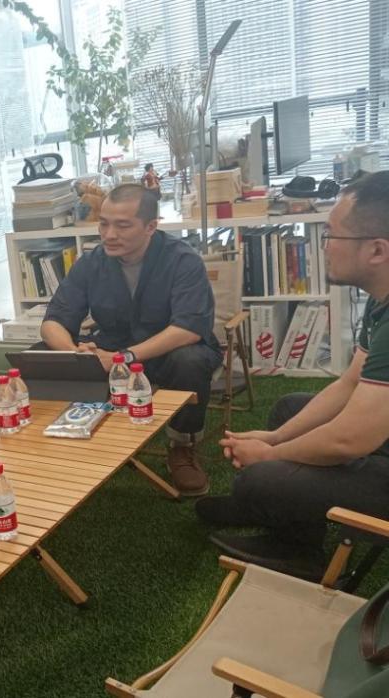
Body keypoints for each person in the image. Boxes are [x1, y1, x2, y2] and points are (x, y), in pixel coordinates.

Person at [201, 171, 389, 580]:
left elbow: (350, 439)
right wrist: (275, 437)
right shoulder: (381, 302)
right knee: (289, 409)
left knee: (261, 479)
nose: (324, 246)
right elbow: (349, 384)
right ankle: (292, 536)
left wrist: (271, 456)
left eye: (332, 235)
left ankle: (284, 527)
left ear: (377, 250)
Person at [39, 183, 223, 496]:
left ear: (151, 226)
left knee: (189, 361)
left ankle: (182, 446)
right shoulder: (92, 262)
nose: (109, 234)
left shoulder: (183, 260)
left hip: (167, 352)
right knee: (43, 351)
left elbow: (188, 328)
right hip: (111, 350)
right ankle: (59, 437)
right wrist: (76, 354)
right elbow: (53, 321)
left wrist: (122, 357)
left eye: (123, 225)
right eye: (104, 223)